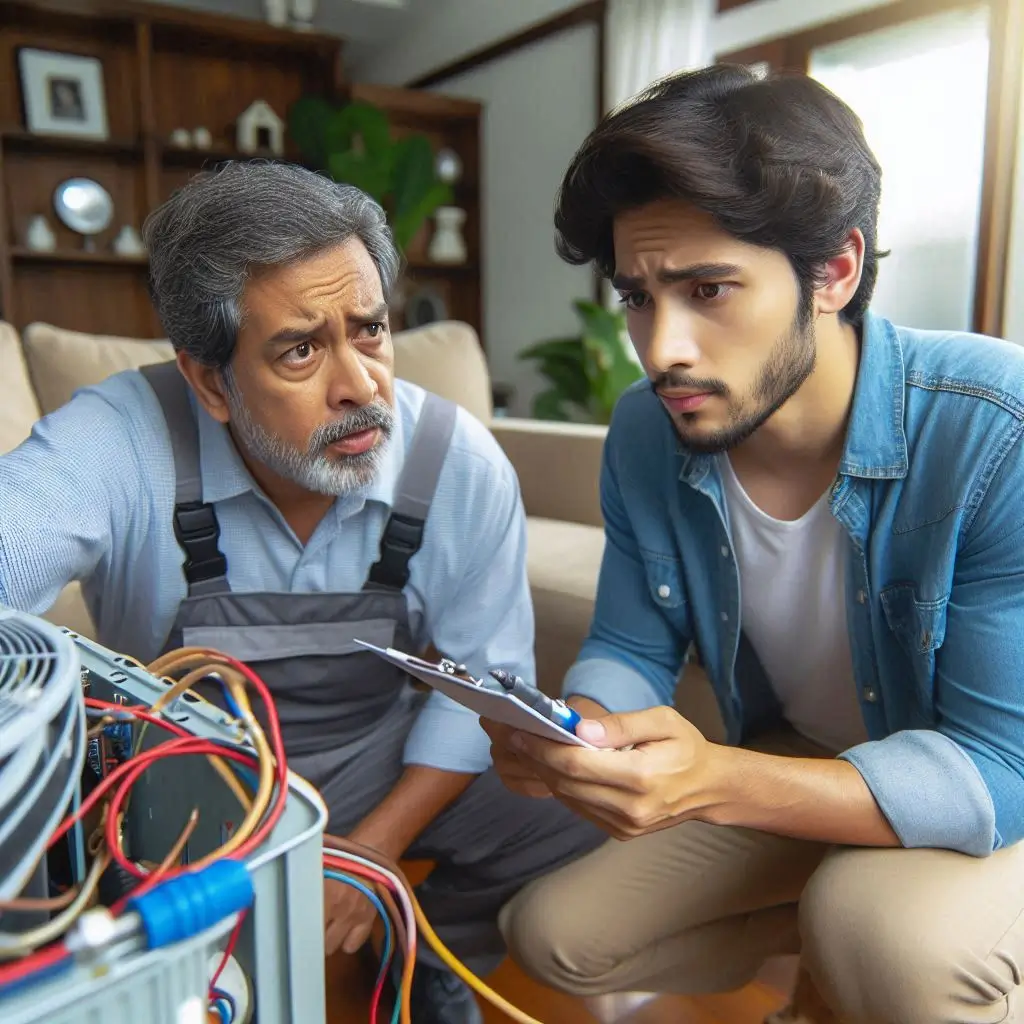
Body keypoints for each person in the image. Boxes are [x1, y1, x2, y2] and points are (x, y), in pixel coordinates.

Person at [0, 161, 603, 1024]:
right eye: (301, 349)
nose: (360, 384)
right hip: (191, 779)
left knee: (566, 800)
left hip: (376, 756)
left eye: (370, 330)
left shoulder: (455, 462)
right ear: (211, 381)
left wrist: (374, 854)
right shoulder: (120, 436)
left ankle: (437, 946)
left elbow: (480, 685)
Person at [485, 64, 1024, 1024]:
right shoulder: (649, 432)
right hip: (815, 762)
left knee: (883, 932)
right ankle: (831, 971)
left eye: (708, 289)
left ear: (836, 271)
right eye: (639, 297)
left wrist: (722, 779)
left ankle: (858, 962)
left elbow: (1002, 766)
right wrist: (580, 731)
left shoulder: (993, 427)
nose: (662, 348)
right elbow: (632, 643)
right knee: (556, 936)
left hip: (997, 784)